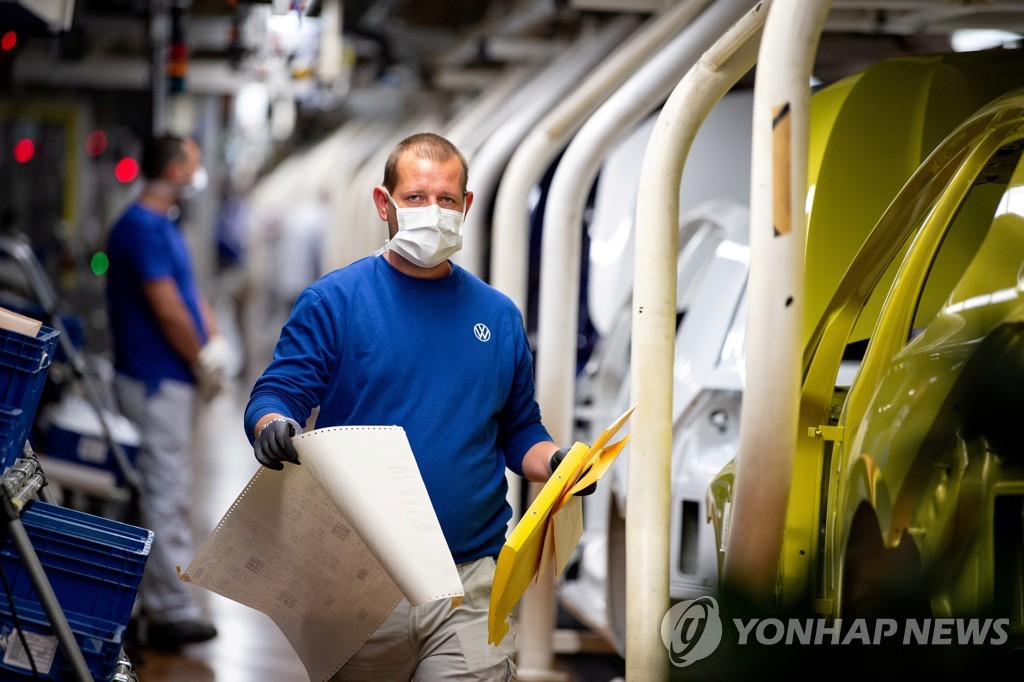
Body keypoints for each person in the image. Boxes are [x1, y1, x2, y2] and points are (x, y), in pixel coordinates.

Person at [245, 132, 591, 681]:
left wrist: (555, 464)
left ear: (466, 206)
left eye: (446, 199)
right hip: (358, 578)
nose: (433, 211)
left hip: (468, 582)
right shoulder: (335, 302)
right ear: (385, 204)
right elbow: (280, 392)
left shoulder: (497, 317)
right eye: (415, 198)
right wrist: (271, 424)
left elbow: (519, 427)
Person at [106, 133, 230, 650]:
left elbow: (189, 292)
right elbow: (167, 307)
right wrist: (198, 357)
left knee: (171, 489)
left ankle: (161, 597)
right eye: (194, 165)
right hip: (156, 381)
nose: (197, 176)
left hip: (171, 379)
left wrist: (215, 338)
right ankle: (169, 609)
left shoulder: (165, 226)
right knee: (167, 493)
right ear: (176, 169)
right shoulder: (140, 227)